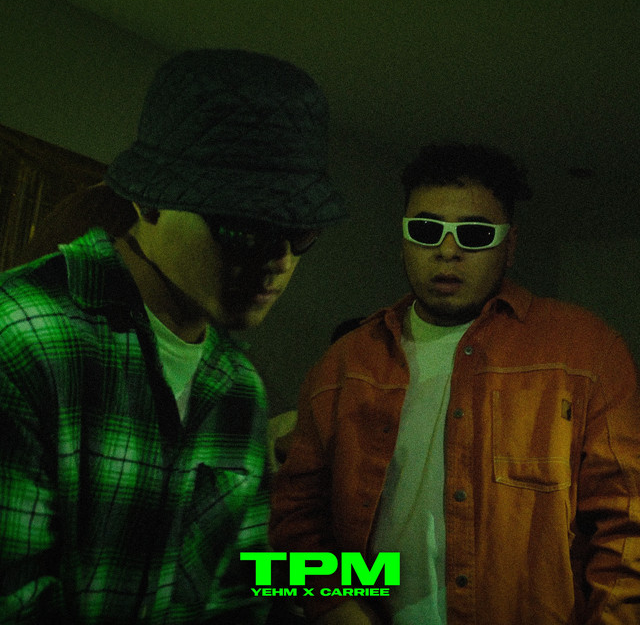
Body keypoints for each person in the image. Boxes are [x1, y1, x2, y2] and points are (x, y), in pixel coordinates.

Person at [0, 48, 345, 624]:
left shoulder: (239, 388)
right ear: (150, 199)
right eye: (245, 227)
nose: (281, 259)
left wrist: (372, 577)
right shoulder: (23, 337)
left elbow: (239, 586)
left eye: (301, 234)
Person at [269, 142, 640, 624]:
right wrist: (335, 604)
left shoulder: (587, 352)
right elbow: (295, 518)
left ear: (509, 246)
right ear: (404, 238)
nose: (448, 250)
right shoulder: (343, 365)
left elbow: (627, 526)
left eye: (475, 233)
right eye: (426, 230)